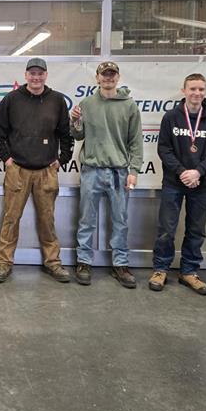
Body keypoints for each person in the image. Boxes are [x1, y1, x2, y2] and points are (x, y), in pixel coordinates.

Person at [0, 58, 74, 284]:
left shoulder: (57, 100)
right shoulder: (11, 99)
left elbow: (66, 134)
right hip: (17, 170)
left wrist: (62, 159)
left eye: (40, 73)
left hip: (47, 171)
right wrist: (7, 159)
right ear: (26, 75)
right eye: (32, 73)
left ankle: (53, 262)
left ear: (46, 75)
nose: (36, 77)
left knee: (47, 220)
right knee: (11, 218)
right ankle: (4, 263)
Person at [149, 73, 206, 295]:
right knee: (166, 229)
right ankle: (161, 269)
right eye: (192, 89)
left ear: (205, 91)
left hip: (201, 183)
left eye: (201, 89)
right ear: (184, 91)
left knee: (196, 229)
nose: (197, 93)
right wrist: (182, 172)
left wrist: (198, 171)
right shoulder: (171, 117)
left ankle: (189, 271)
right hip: (174, 182)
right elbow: (164, 149)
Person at [70, 61, 143, 288]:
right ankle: (84, 261)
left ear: (118, 77)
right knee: (86, 219)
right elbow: (78, 135)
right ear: (97, 78)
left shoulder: (129, 106)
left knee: (120, 220)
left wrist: (134, 170)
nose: (108, 78)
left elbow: (136, 142)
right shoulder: (87, 104)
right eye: (104, 74)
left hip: (119, 171)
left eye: (112, 74)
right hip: (92, 170)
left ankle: (120, 264)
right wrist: (75, 121)